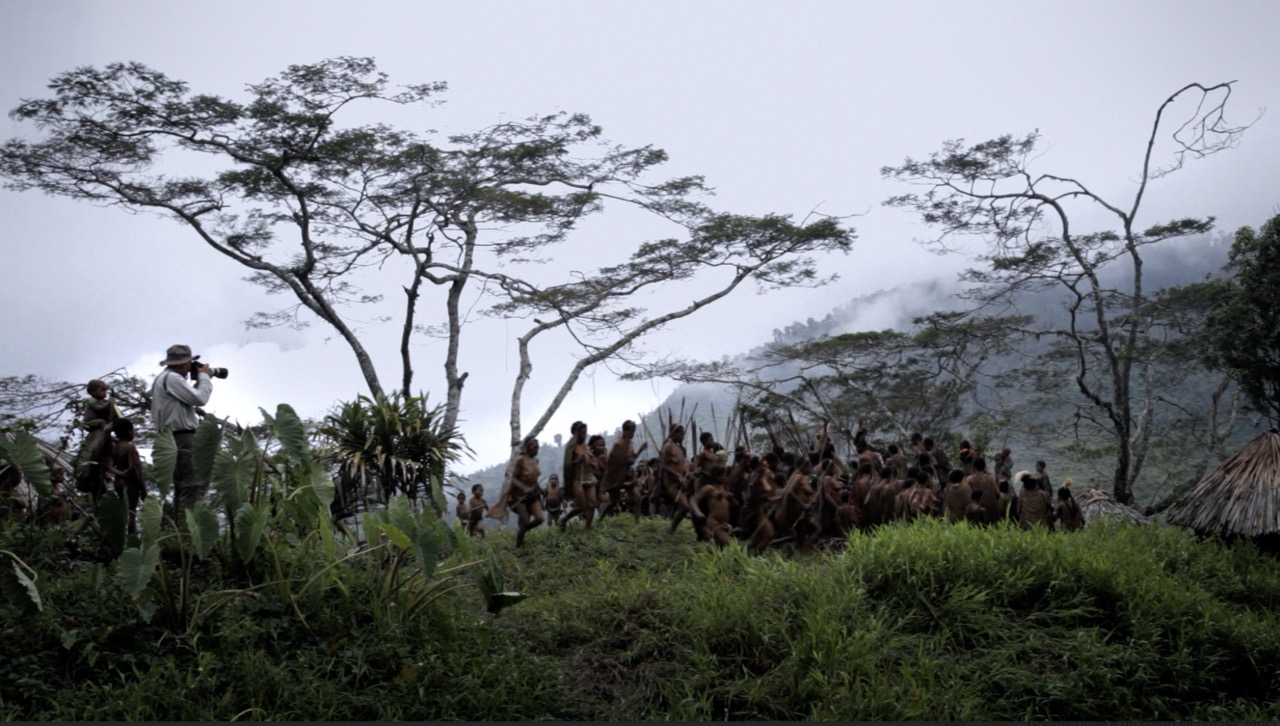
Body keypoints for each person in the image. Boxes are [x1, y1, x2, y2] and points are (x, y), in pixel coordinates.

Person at [150, 344, 214, 514]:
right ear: (184, 363)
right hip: (183, 437)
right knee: (192, 486)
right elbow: (200, 399)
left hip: (171, 437)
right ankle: (190, 530)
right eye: (189, 363)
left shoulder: (162, 378)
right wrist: (204, 377)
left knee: (181, 487)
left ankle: (179, 529)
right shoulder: (173, 378)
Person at [73, 379, 121, 498]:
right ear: (93, 391)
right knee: (93, 450)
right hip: (97, 431)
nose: (105, 391)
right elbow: (98, 412)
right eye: (102, 389)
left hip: (107, 432)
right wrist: (110, 404)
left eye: (106, 389)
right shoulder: (92, 403)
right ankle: (87, 473)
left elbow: (115, 416)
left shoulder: (107, 402)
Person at [106, 418, 147, 533]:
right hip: (130, 483)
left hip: (118, 482)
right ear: (129, 431)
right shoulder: (130, 447)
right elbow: (134, 469)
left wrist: (119, 473)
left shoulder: (115, 446)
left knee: (123, 509)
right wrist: (143, 488)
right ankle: (131, 535)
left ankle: (123, 534)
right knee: (132, 512)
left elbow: (109, 465)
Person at [511, 437, 545, 547]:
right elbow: (512, 478)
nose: (536, 449)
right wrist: (524, 488)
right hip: (520, 496)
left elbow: (534, 480)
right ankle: (519, 543)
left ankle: (522, 531)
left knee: (539, 519)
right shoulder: (520, 460)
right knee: (524, 519)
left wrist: (541, 490)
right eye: (533, 447)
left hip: (533, 494)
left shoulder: (536, 461)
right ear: (527, 448)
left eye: (537, 447)